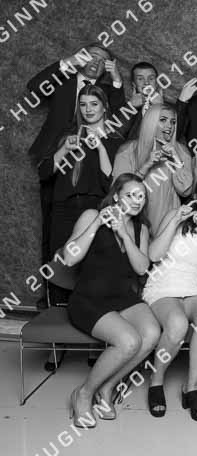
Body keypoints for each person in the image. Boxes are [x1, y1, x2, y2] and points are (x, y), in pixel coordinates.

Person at [27, 43, 125, 306]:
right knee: (53, 236)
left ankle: (84, 304)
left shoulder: (106, 96)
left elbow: (122, 117)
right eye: (92, 56)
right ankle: (53, 300)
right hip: (61, 165)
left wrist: (117, 81)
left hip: (94, 189)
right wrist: (68, 61)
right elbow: (35, 87)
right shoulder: (64, 81)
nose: (88, 108)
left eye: (103, 59)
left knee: (89, 246)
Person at [64, 173, 159, 428]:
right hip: (89, 299)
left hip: (122, 297)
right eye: (130, 195)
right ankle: (83, 394)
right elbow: (69, 259)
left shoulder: (141, 228)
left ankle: (107, 387)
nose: (137, 200)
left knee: (152, 334)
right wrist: (97, 224)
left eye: (141, 196)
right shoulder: (91, 216)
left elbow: (142, 268)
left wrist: (125, 234)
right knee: (129, 342)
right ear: (116, 196)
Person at [142, 175, 197, 422]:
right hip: (164, 286)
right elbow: (154, 255)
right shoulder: (175, 215)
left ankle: (191, 387)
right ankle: (156, 381)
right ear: (196, 198)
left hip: (194, 288)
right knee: (177, 323)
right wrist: (176, 220)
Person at [112, 103, 193, 235]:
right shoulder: (128, 150)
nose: (169, 126)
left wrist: (176, 159)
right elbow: (118, 191)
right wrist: (147, 165)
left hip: (168, 227)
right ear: (150, 122)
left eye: (173, 122)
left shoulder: (181, 151)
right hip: (135, 225)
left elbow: (186, 190)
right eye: (163, 120)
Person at [122, 62, 163, 139]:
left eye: (151, 78)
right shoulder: (125, 108)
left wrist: (161, 109)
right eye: (140, 79)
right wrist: (130, 107)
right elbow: (118, 135)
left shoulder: (171, 108)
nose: (146, 82)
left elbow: (174, 136)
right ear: (134, 84)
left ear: (156, 83)